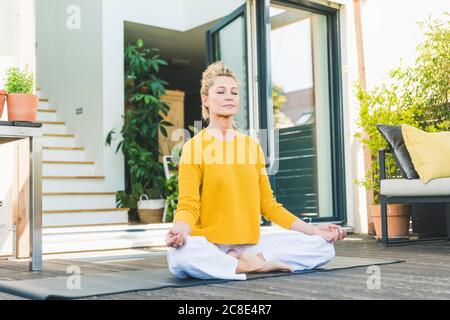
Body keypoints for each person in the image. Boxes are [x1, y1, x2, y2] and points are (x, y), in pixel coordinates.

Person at [166, 61, 346, 280]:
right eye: (220, 92)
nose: (229, 96)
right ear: (206, 99)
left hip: (250, 244)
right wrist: (180, 230)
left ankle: (240, 262)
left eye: (234, 92)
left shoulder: (252, 146)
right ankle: (246, 265)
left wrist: (314, 230)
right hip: (211, 244)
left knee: (323, 247)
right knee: (179, 257)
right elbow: (188, 205)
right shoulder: (193, 147)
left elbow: (269, 206)